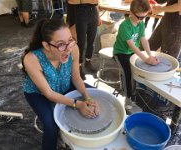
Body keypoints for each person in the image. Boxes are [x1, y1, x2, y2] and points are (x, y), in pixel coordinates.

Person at [22, 19, 99, 150]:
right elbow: (49, 94)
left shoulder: (73, 48)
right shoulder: (31, 59)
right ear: (47, 46)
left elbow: (76, 77)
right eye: (61, 44)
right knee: (51, 125)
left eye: (70, 40)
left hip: (64, 84)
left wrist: (87, 97)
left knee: (95, 95)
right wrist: (78, 103)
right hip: (39, 93)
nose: (68, 48)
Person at [113, 0, 159, 109]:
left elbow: (143, 39)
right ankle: (128, 98)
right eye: (139, 17)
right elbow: (132, 45)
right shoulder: (125, 26)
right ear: (131, 12)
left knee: (137, 72)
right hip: (121, 52)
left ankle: (134, 93)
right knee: (128, 74)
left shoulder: (141, 23)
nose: (141, 20)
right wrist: (146, 59)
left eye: (144, 17)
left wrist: (150, 55)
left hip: (132, 51)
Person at [68, 0, 101, 78]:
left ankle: (88, 61)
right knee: (81, 42)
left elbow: (96, 2)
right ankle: (78, 66)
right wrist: (88, 1)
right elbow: (70, 1)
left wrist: (98, 16)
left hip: (93, 13)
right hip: (81, 13)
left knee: (91, 41)